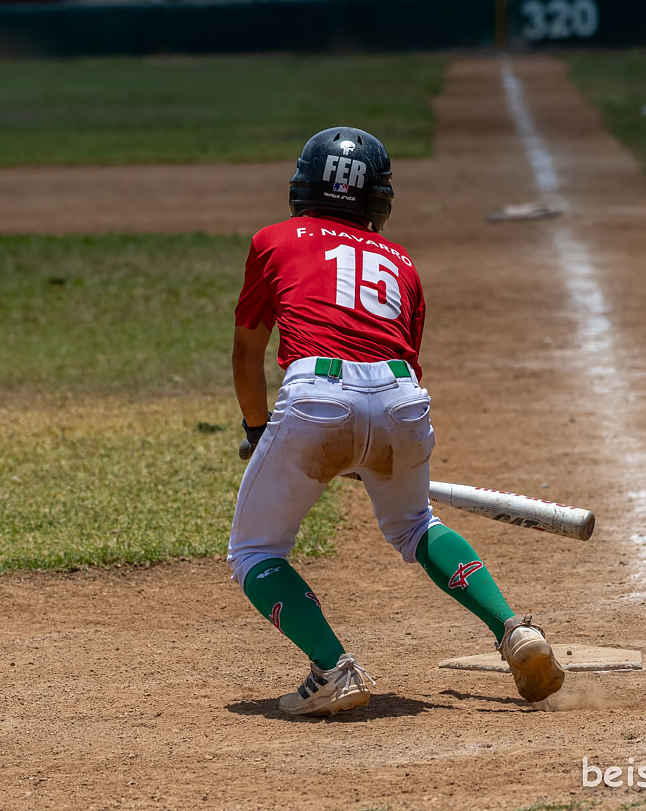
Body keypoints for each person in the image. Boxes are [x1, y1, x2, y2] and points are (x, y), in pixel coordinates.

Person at [228, 126, 565, 716]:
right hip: (400, 399)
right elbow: (401, 361)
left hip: (315, 397)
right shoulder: (401, 262)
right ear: (379, 197)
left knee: (255, 550)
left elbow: (246, 353)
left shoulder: (274, 239)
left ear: (303, 184)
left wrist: (259, 431)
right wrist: (365, 448)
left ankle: (333, 669)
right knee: (414, 526)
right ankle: (514, 630)